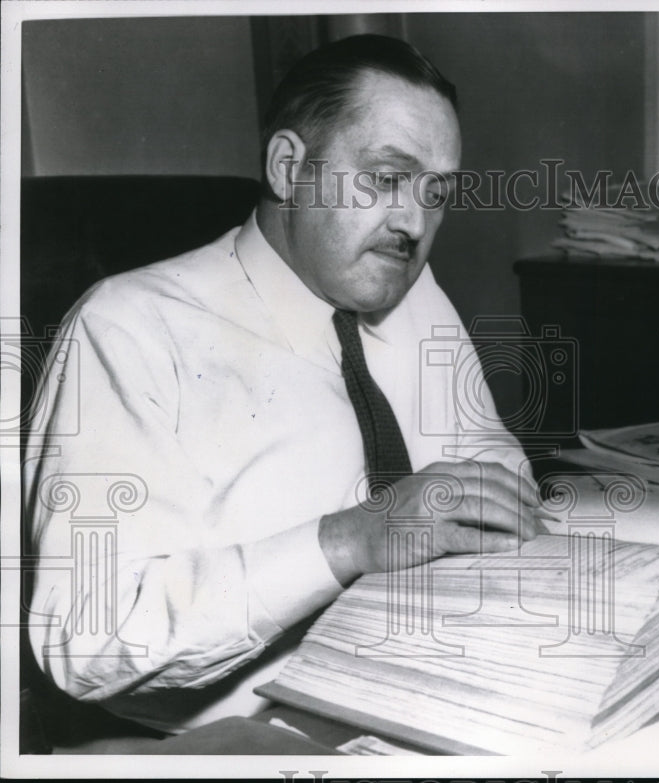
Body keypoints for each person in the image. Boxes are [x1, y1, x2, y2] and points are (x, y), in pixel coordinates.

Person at [23, 34, 550, 733]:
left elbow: (487, 452)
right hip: (230, 746)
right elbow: (85, 637)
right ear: (287, 166)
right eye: (387, 178)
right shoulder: (128, 330)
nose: (415, 225)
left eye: (437, 193)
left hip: (439, 700)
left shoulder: (411, 289)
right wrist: (349, 541)